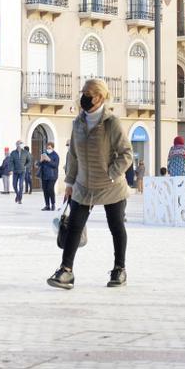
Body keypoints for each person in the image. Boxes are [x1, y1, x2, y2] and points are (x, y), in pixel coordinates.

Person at [47, 79, 133, 290]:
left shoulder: (111, 123)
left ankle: (119, 270)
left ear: (100, 97)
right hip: (84, 184)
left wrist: (112, 174)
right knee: (74, 226)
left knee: (116, 226)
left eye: (88, 93)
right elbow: (73, 155)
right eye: (82, 92)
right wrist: (69, 182)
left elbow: (126, 154)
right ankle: (66, 271)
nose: (83, 97)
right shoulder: (78, 122)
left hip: (111, 185)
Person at [39, 143, 60, 211]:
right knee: (45, 190)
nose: (48, 149)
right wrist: (41, 161)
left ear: (53, 148)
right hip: (44, 175)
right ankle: (47, 205)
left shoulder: (55, 155)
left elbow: (55, 165)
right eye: (47, 148)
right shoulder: (44, 154)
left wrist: (49, 160)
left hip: (52, 176)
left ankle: (53, 204)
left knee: (50, 189)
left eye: (49, 148)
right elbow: (39, 164)